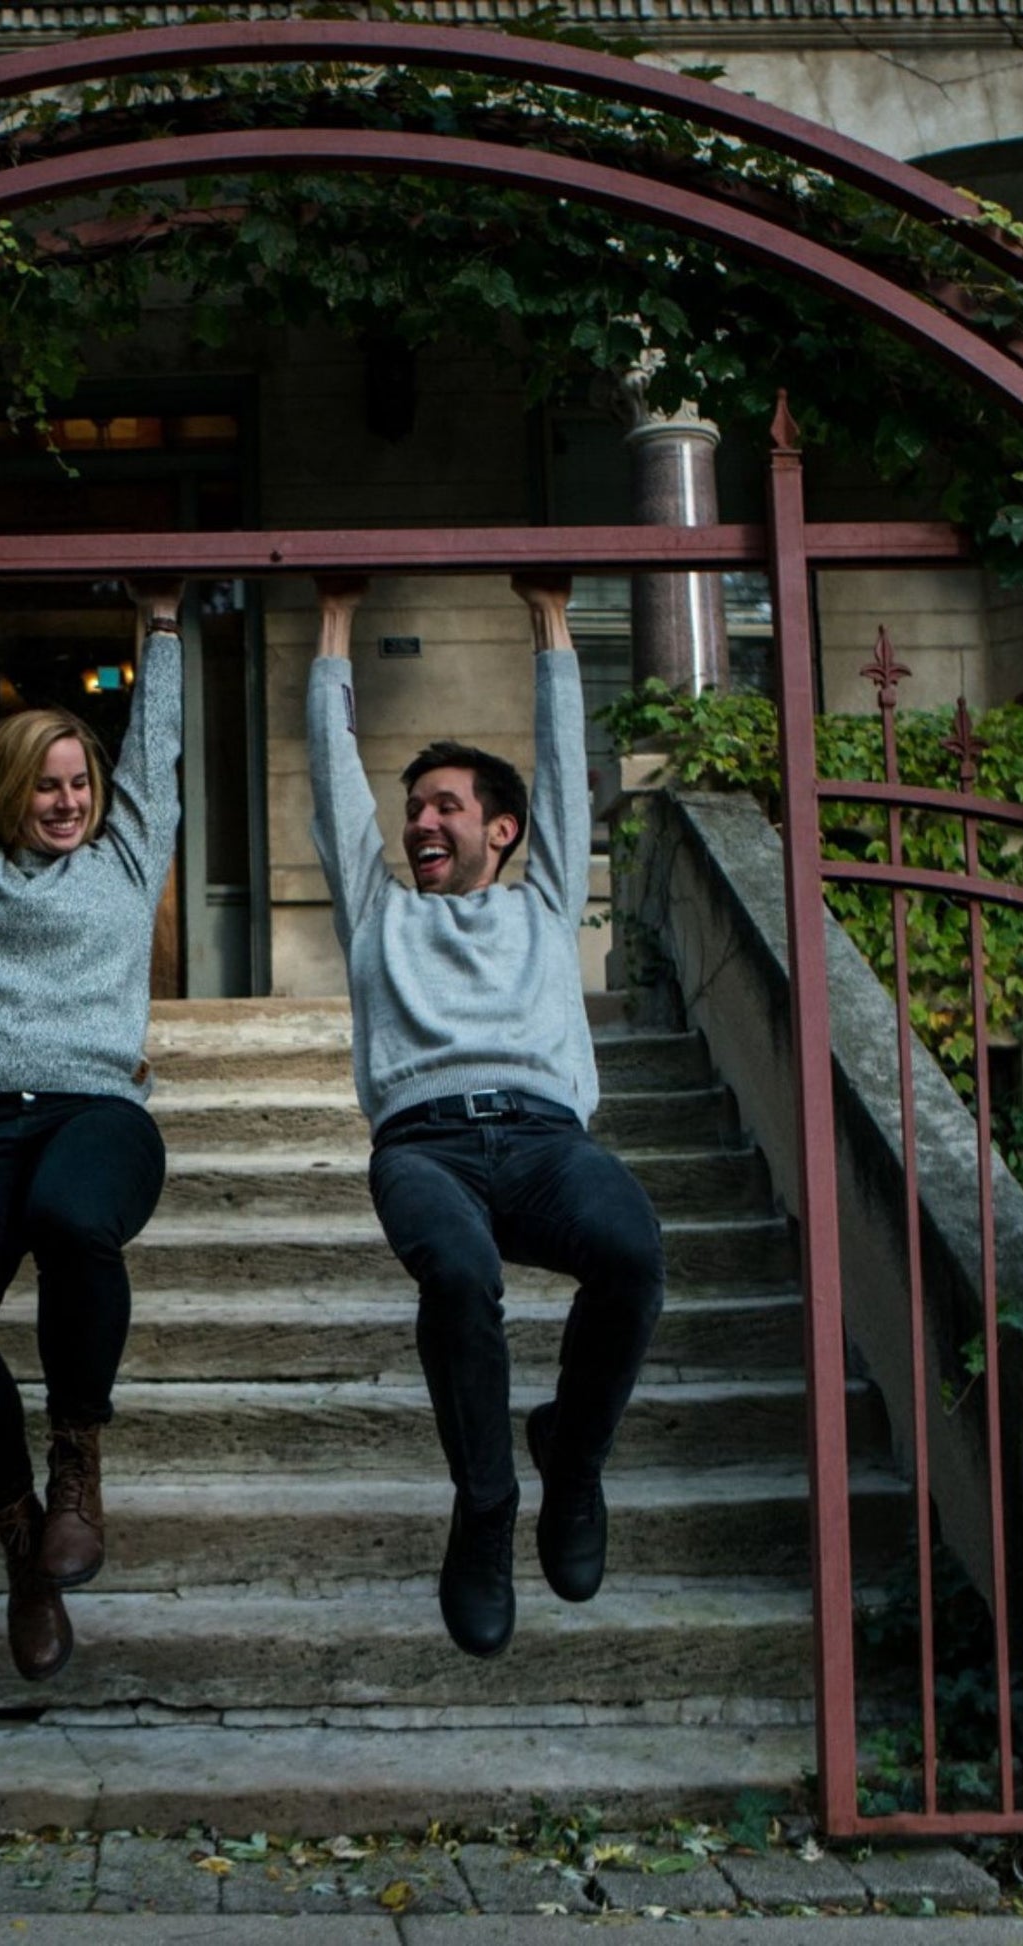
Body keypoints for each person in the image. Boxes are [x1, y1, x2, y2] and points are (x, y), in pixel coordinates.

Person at [306, 574, 665, 1659]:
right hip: (424, 1149)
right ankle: (484, 1505)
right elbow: (331, 780)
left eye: (443, 806)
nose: (419, 820)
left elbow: (564, 765)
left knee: (635, 1249)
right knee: (460, 1274)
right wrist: (332, 619)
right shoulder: (378, 911)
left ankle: (573, 1456)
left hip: (547, 1140)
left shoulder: (541, 897)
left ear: (501, 829)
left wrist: (550, 617)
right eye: (413, 808)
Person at [0, 581, 184, 1682]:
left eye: (80, 783)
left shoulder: (125, 848)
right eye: (47, 786)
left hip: (94, 1114)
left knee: (72, 1217)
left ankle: (75, 1458)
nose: (68, 802)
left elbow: (157, 740)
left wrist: (159, 625)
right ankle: (20, 1539)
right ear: (8, 788)